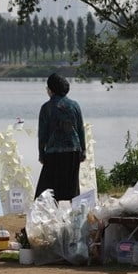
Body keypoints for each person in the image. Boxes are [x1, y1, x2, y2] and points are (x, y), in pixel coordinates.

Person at [35, 73, 86, 201]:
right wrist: (83, 151)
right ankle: (74, 216)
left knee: (47, 190)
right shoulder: (74, 105)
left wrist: (41, 154)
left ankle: (48, 217)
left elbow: (42, 134)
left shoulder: (46, 108)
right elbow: (80, 129)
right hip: (73, 151)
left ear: (51, 90)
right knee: (71, 188)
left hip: (53, 153)